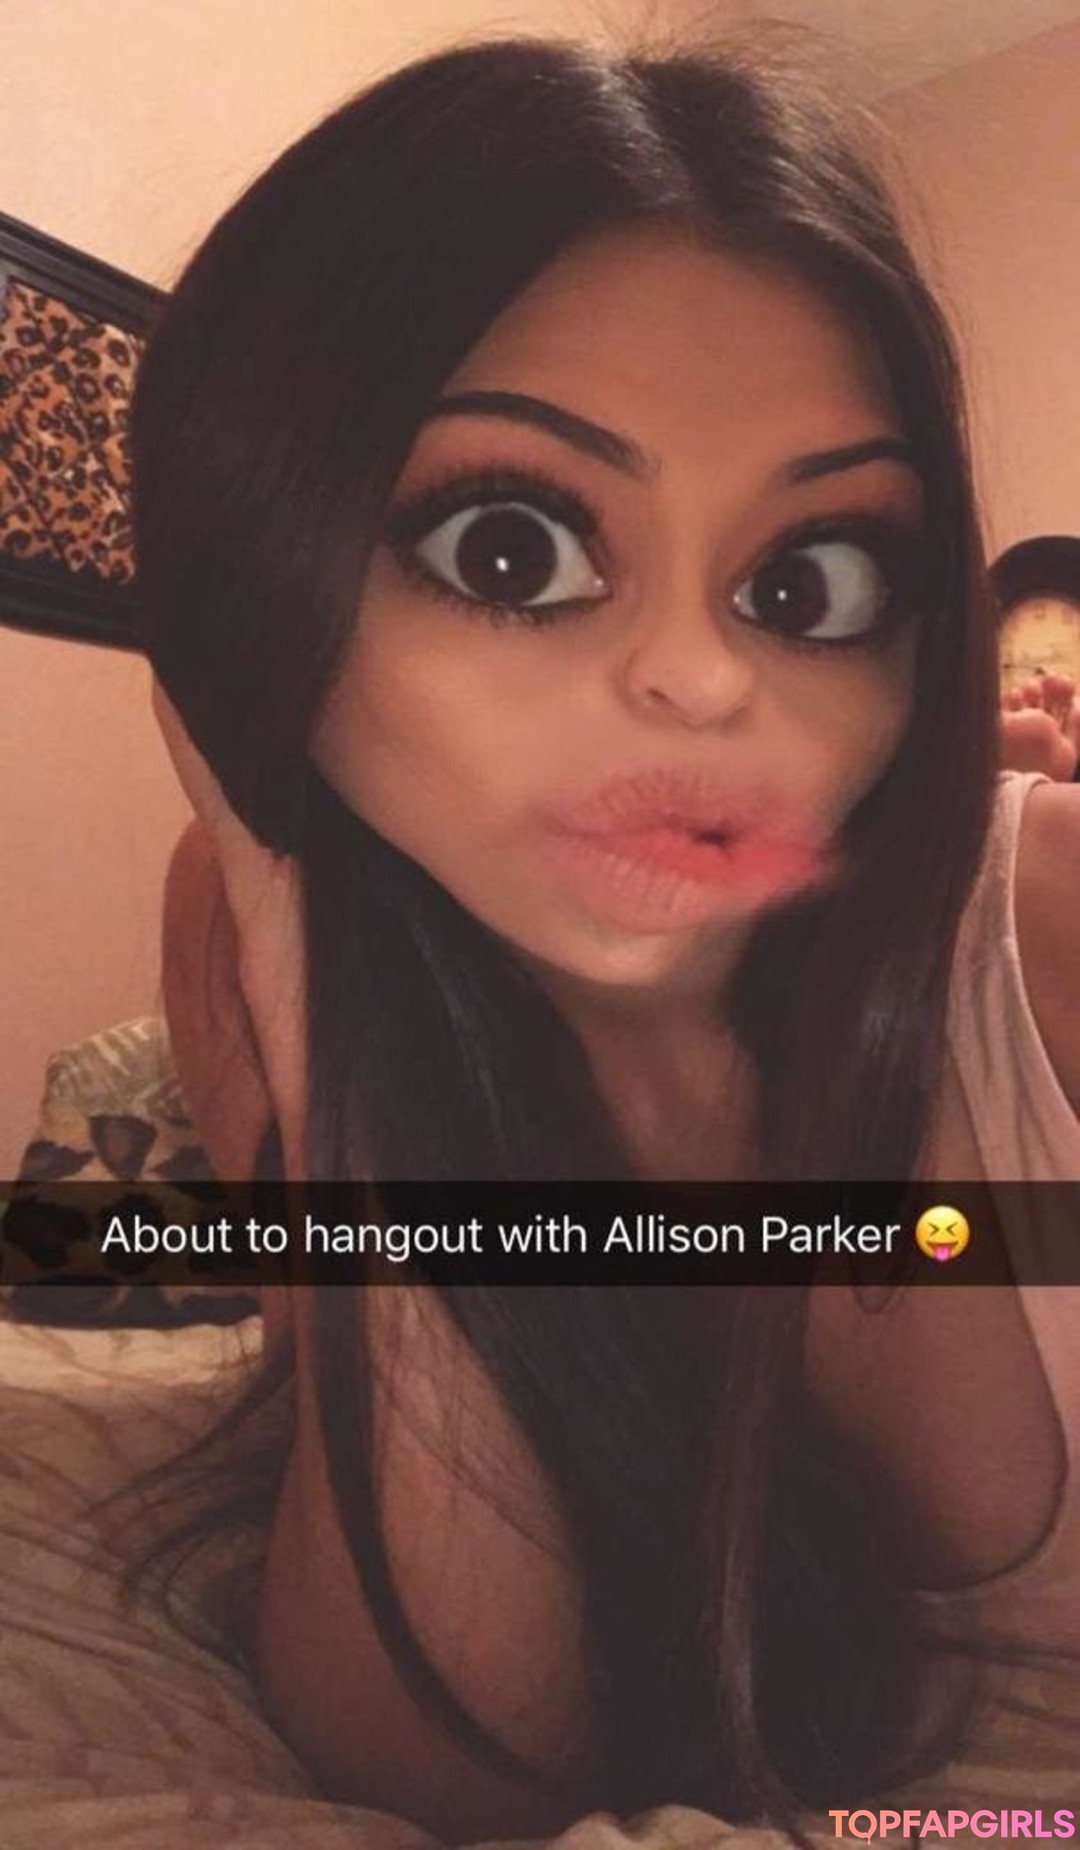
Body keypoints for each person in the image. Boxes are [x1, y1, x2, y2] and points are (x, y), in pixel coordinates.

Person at [137, 35, 1080, 1844]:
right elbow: (440, 1770)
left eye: (811, 582)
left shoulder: (1037, 934)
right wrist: (293, 944)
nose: (707, 683)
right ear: (265, 559)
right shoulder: (257, 933)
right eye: (510, 550)